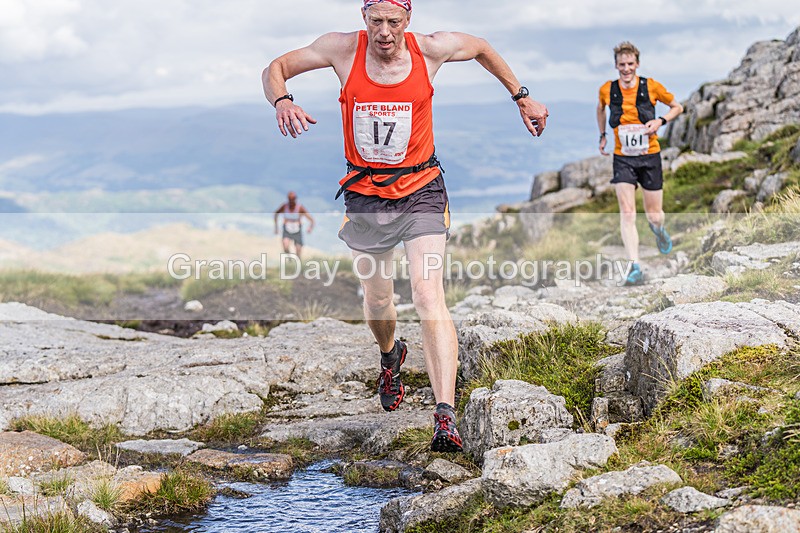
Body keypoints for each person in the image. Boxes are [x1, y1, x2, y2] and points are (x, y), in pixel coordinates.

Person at [263, 0, 548, 452]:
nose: (384, 32)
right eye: (376, 21)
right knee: (378, 301)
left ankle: (445, 415)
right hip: (366, 196)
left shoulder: (429, 50)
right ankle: (390, 354)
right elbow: (275, 68)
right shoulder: (342, 50)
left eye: (393, 22)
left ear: (408, 19)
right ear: (363, 17)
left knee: (427, 293)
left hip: (422, 190)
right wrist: (282, 101)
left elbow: (480, 47)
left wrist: (521, 96)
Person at [597, 41, 683, 285]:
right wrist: (602, 134)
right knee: (627, 212)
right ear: (616, 65)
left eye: (630, 64)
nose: (626, 69)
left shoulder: (652, 86)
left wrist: (660, 121)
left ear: (637, 64)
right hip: (623, 157)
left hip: (649, 156)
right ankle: (634, 266)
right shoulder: (606, 89)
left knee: (654, 215)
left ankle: (658, 230)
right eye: (622, 64)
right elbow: (600, 110)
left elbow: (677, 107)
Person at [273, 191, 314, 260]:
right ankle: (290, 259)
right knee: (285, 245)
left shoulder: (300, 207)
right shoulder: (284, 206)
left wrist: (310, 227)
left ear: (295, 199)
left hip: (297, 229)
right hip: (287, 228)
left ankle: (298, 262)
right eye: (290, 199)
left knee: (298, 249)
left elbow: (311, 219)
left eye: (293, 199)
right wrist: (276, 227)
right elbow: (276, 214)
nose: (291, 201)